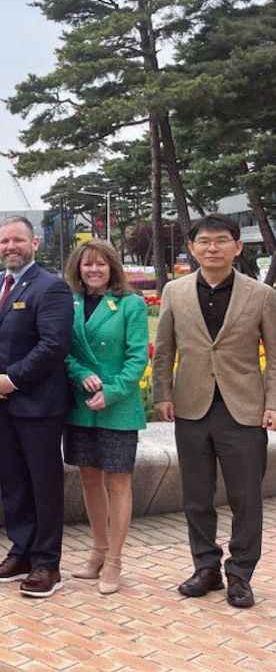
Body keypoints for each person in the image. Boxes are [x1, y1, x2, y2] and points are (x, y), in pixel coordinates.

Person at [152, 213, 276, 608]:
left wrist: (273, 403)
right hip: (191, 407)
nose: (212, 248)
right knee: (196, 496)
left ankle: (240, 574)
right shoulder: (175, 291)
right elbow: (165, 350)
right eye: (203, 241)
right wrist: (162, 395)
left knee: (246, 498)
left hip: (244, 410)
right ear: (191, 248)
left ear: (237, 247)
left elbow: (275, 357)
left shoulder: (260, 294)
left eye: (221, 240)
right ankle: (205, 567)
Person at [0, 216, 73, 598]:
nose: (10, 247)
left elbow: (53, 345)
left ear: (35, 243)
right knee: (14, 483)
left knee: (43, 485)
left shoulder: (52, 288)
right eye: (4, 241)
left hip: (38, 406)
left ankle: (48, 563)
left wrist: (11, 379)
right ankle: (22, 551)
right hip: (1, 403)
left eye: (18, 240)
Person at [62, 240, 149, 595]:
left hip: (118, 407)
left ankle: (114, 559)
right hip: (81, 407)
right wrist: (79, 372)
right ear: (77, 269)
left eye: (100, 264)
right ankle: (97, 551)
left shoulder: (130, 304)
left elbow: (137, 357)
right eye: (86, 265)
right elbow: (61, 349)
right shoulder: (70, 304)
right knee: (88, 479)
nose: (93, 270)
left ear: (112, 267)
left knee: (119, 484)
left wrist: (111, 391)